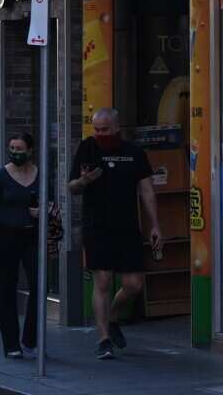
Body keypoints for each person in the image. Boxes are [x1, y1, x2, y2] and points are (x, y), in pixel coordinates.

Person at [68, 108, 161, 360]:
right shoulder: (87, 149)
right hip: (96, 227)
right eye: (96, 129)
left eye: (104, 130)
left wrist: (155, 225)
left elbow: (147, 191)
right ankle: (103, 339)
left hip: (127, 227)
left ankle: (113, 315)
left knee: (133, 284)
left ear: (117, 128)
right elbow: (72, 187)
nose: (100, 134)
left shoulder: (134, 153)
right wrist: (84, 181)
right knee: (103, 281)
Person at [0, 133, 42, 359]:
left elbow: (52, 205)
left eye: (20, 148)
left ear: (30, 150)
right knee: (7, 288)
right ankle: (11, 344)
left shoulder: (40, 175)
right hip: (4, 238)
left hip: (31, 237)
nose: (15, 152)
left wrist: (41, 211)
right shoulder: (0, 177)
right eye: (12, 148)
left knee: (39, 284)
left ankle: (30, 338)